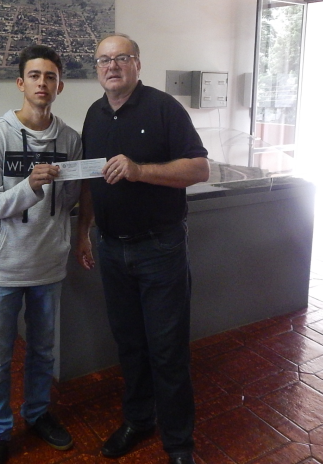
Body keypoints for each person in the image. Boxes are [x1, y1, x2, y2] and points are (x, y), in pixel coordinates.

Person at [76, 34, 209, 464]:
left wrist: (139, 170)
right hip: (111, 249)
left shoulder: (164, 108)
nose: (112, 66)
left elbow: (199, 168)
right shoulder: (94, 115)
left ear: (137, 64)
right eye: (104, 60)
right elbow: (91, 181)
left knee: (167, 350)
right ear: (97, 68)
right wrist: (83, 231)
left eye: (122, 58)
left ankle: (179, 444)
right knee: (130, 345)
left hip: (160, 249)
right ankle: (138, 420)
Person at [0, 45, 82, 464]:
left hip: (48, 264)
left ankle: (37, 414)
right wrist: (30, 186)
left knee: (42, 351)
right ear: (21, 83)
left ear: (60, 86)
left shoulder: (70, 140)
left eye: (50, 76)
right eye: (35, 76)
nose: (42, 83)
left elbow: (69, 201)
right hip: (2, 268)